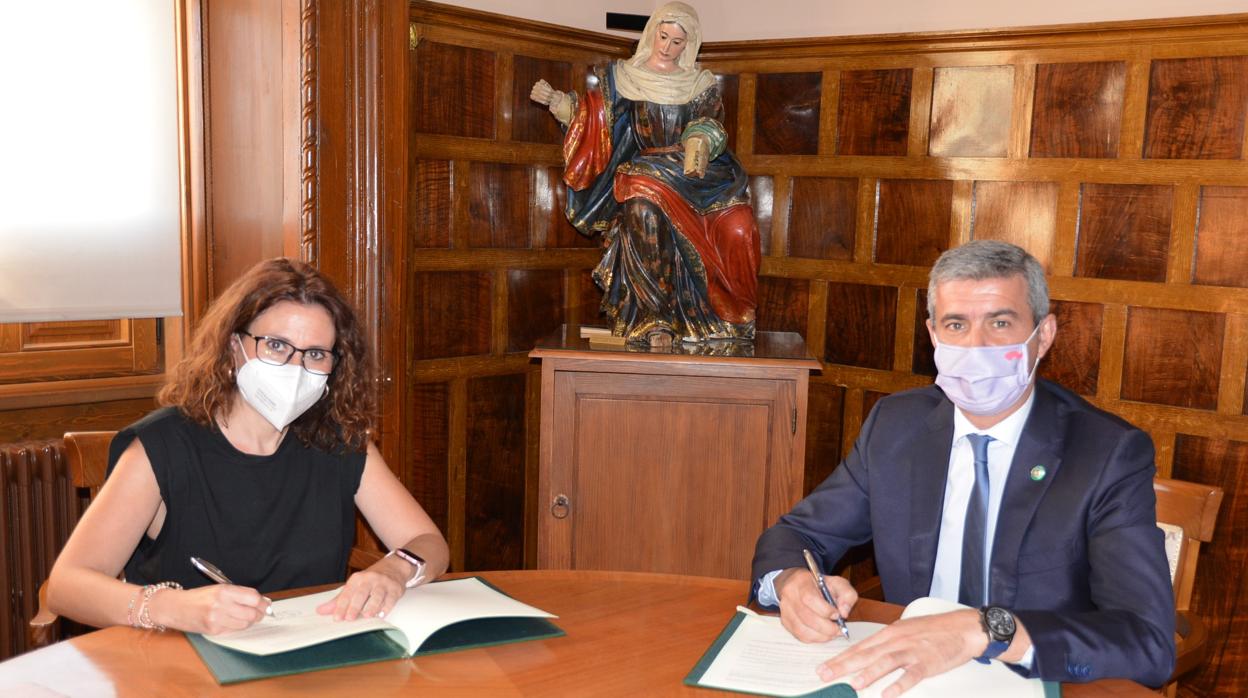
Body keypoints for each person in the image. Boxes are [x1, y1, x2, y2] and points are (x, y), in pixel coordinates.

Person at [752, 240, 1175, 693]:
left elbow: (1146, 642)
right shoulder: (896, 426)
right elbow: (797, 536)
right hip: (909, 680)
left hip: (1031, 679)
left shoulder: (1106, 452)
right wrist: (792, 582)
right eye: (957, 324)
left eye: (1000, 322)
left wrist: (987, 630)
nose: (977, 345)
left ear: (1044, 335)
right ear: (934, 335)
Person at [47, 258, 449, 636]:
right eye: (276, 345)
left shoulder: (339, 442)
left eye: (315, 354)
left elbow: (429, 544)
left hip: (308, 655)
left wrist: (394, 571)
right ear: (231, 348)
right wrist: (176, 607)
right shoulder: (163, 447)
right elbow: (66, 585)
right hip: (183, 666)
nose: (295, 368)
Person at [530, 2, 760, 347]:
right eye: (663, 36)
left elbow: (710, 120)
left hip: (696, 174)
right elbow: (596, 120)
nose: (667, 47)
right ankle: (656, 319)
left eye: (677, 42)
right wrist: (558, 102)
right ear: (652, 33)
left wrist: (700, 137)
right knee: (642, 209)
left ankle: (729, 316)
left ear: (690, 44)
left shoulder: (700, 82)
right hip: (646, 173)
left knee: (739, 223)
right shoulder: (625, 77)